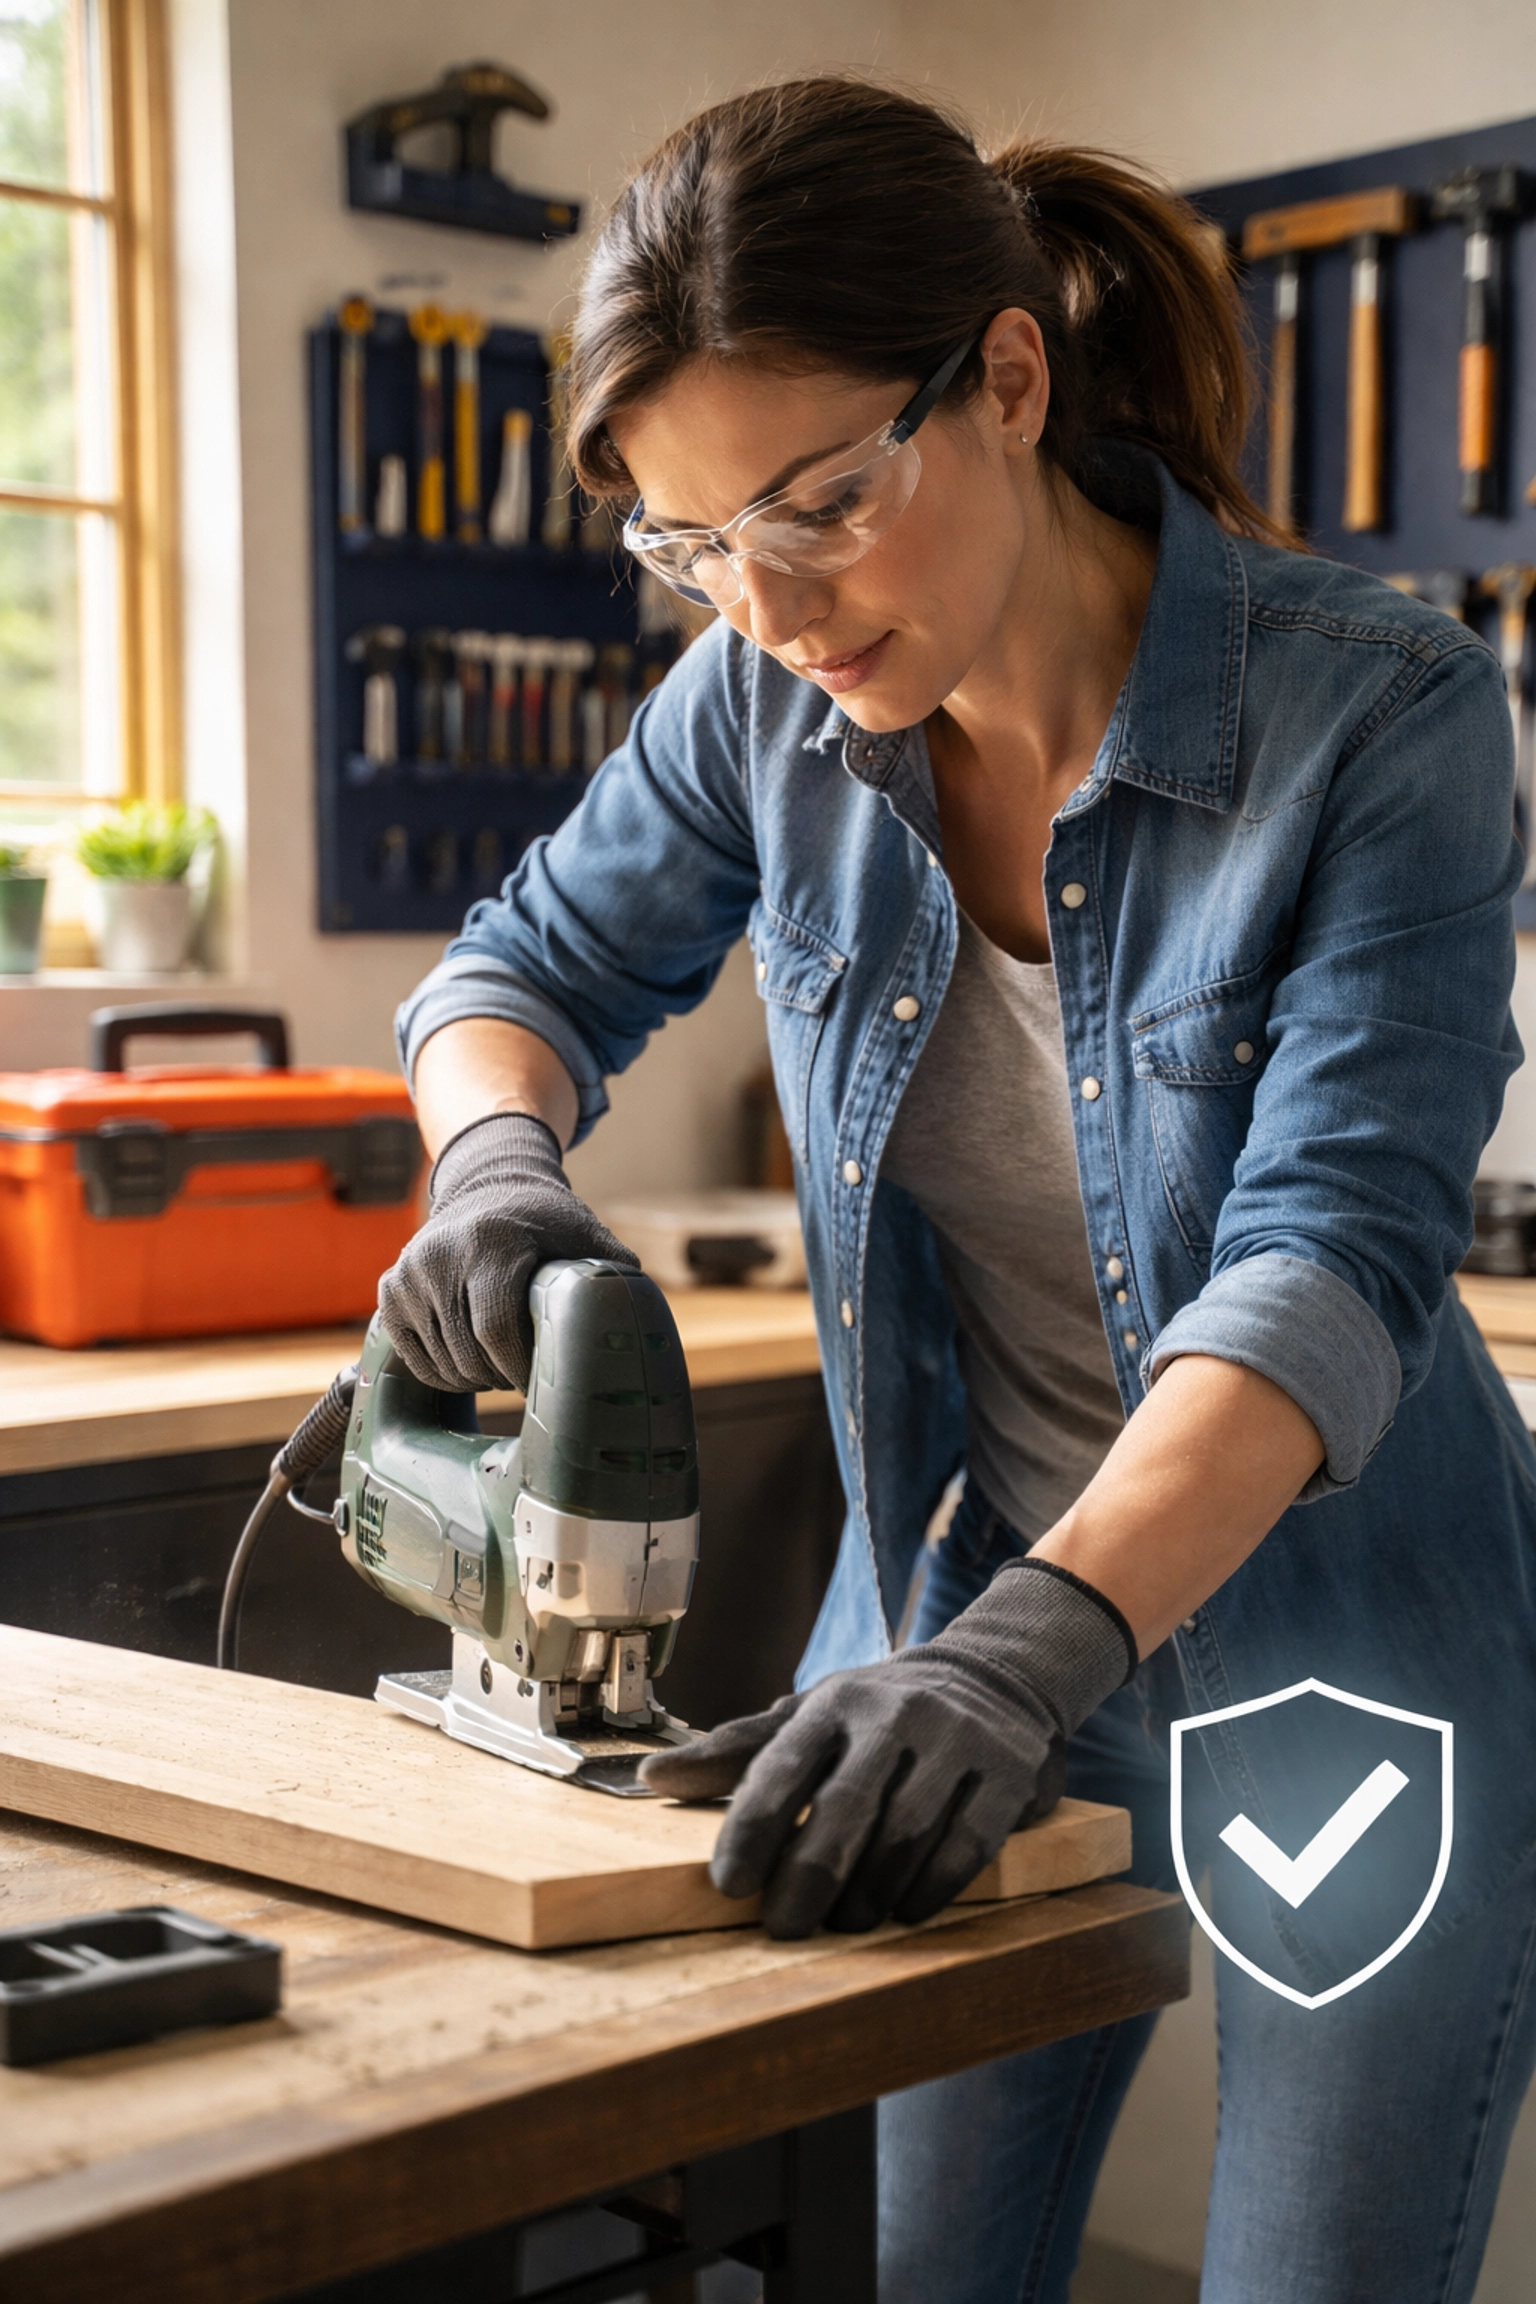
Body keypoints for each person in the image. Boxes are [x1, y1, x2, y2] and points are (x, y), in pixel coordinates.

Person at [381, 77, 1536, 2304]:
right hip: (958, 1619)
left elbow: (1328, 1267)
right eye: (694, 545)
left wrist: (1035, 1655)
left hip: (1348, 1666)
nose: (769, 604)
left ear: (1007, 378)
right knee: (891, 2267)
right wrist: (496, 1164)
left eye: (821, 502)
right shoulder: (762, 706)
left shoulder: (1384, 713)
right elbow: (512, 973)